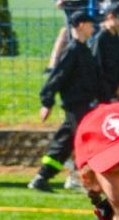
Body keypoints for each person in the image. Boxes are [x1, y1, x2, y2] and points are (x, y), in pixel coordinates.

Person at [30, 11, 99, 193]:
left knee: (64, 142)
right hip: (75, 105)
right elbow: (56, 77)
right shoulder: (72, 50)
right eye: (91, 24)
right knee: (84, 141)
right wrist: (47, 102)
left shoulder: (84, 50)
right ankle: (78, 177)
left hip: (85, 105)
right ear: (81, 25)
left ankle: (41, 177)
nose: (93, 28)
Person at [90, 2, 119, 102]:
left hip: (117, 93)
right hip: (103, 95)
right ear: (110, 17)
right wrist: (115, 88)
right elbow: (97, 69)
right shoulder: (100, 39)